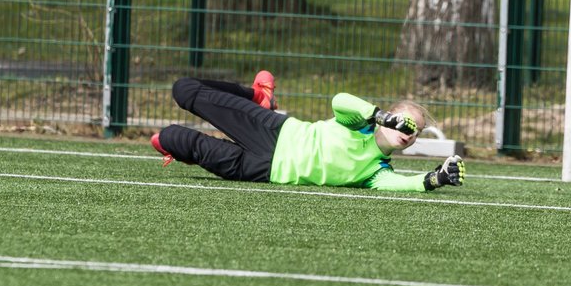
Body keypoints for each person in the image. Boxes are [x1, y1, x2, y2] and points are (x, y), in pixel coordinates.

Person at [150, 71, 465, 192]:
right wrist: (379, 115)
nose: (409, 131)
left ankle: (179, 150)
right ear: (389, 117)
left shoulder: (376, 171)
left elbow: (401, 184)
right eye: (406, 122)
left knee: (170, 138)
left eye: (415, 131)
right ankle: (258, 96)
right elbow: (340, 101)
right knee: (183, 90)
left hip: (262, 170)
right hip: (275, 132)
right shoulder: (360, 122)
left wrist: (436, 178)